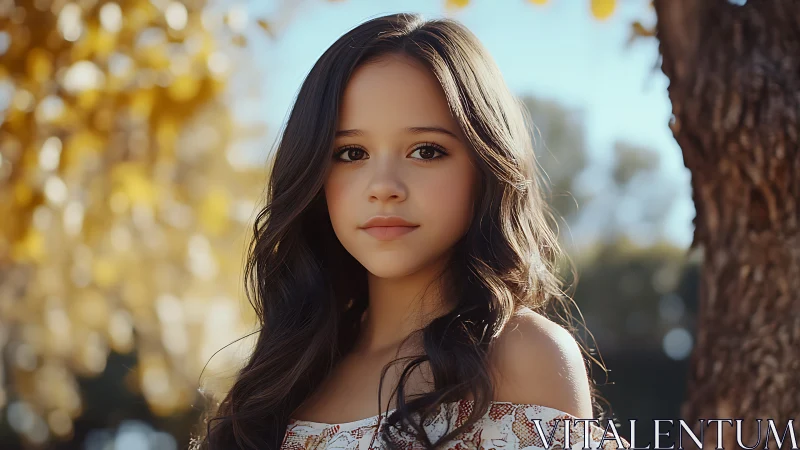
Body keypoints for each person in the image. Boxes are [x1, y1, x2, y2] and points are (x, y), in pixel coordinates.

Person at [193, 12, 630, 450]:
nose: (383, 187)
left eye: (425, 151)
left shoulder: (522, 357)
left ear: (485, 167)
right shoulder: (278, 380)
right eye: (350, 153)